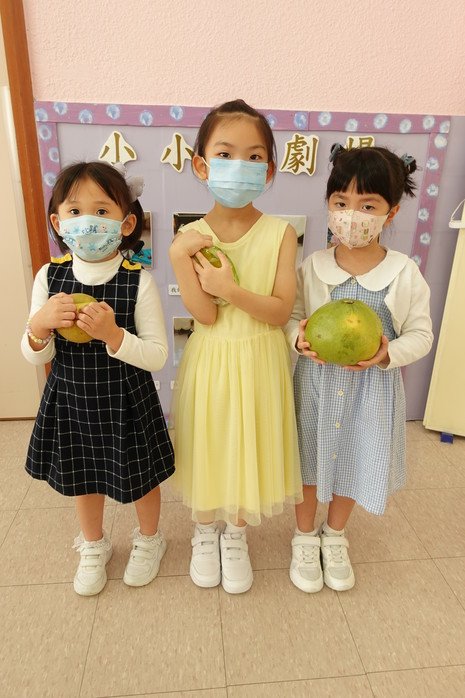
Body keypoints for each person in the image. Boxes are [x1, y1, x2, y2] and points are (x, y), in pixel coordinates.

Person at [22, 161, 174, 596]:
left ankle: (150, 538)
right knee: (82, 476)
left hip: (127, 399)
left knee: (141, 477)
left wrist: (113, 335)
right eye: (75, 211)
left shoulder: (138, 281)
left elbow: (158, 355)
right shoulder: (49, 276)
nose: (88, 221)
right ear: (58, 222)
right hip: (71, 398)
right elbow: (34, 354)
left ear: (126, 224)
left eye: (102, 211)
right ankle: (93, 544)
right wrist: (39, 326)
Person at [285, 144, 433, 593]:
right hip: (315, 385)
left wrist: (387, 354)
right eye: (341, 202)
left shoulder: (404, 272)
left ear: (391, 212)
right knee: (307, 462)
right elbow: (291, 317)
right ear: (329, 205)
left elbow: (421, 335)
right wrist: (298, 338)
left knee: (353, 458)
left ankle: (334, 535)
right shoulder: (312, 266)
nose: (352, 216)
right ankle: (304, 536)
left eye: (367, 206)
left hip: (371, 391)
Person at [169, 99, 302, 594]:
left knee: (251, 443)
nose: (239, 165)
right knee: (210, 440)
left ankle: (236, 535)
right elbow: (204, 315)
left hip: (261, 357)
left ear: (269, 170)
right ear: (201, 164)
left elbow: (280, 310)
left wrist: (231, 289)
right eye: (225, 153)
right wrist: (179, 259)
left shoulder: (280, 233)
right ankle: (205, 532)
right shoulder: (190, 237)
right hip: (212, 357)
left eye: (254, 156)